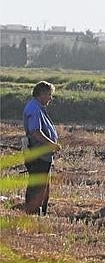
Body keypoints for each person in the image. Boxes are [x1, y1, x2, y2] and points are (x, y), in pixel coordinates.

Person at [22, 81, 61, 215]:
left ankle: (41, 214)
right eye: (49, 95)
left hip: (43, 155)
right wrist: (51, 144)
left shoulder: (38, 108)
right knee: (37, 187)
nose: (51, 98)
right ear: (42, 94)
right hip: (38, 154)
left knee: (43, 187)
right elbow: (35, 132)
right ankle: (33, 214)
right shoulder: (34, 109)